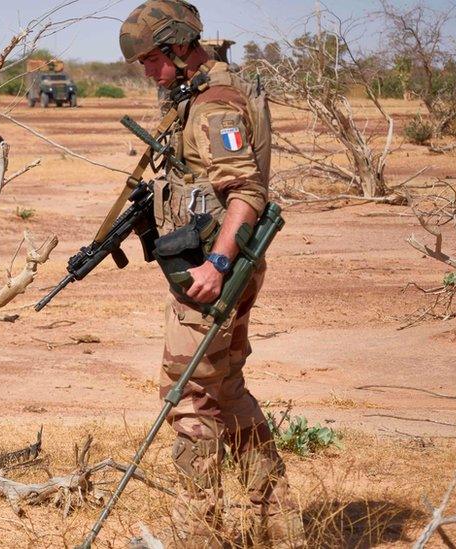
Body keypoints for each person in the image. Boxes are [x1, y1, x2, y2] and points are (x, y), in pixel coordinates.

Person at [119, 1, 304, 546]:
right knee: (225, 389)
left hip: (217, 268)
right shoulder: (198, 94)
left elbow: (245, 191)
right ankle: (278, 520)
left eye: (152, 61)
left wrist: (218, 265)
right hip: (221, 263)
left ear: (179, 47)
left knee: (189, 393)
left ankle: (196, 529)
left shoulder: (214, 106)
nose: (148, 73)